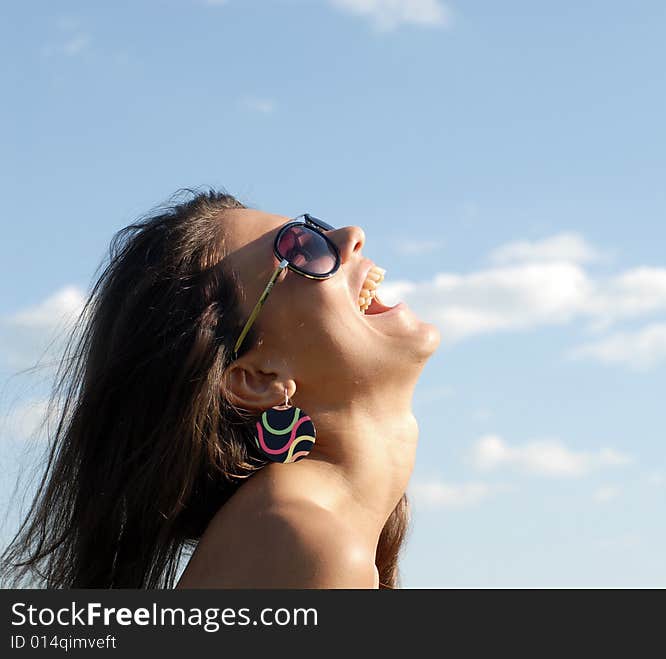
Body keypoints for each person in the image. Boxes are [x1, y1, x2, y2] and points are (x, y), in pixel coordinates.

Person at [0, 188, 441, 588]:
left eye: (314, 233)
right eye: (300, 250)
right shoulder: (304, 547)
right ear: (256, 379)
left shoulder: (297, 534)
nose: (351, 234)